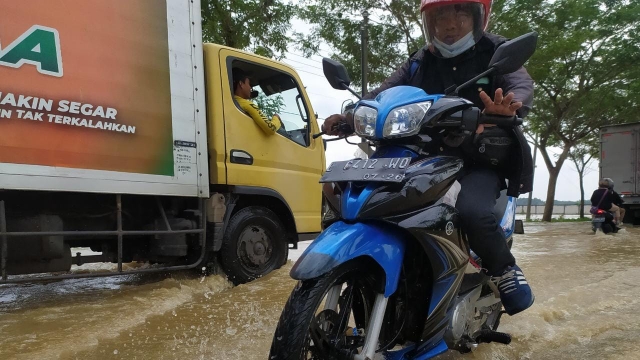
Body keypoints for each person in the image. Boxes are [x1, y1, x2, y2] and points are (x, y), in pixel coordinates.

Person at [321, 0, 535, 316]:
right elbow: (383, 94)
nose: (450, 24)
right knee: (364, 201)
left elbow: (520, 85)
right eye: (441, 15)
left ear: (479, 18)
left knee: (472, 211)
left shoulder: (497, 52)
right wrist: (350, 115)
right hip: (417, 156)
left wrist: (507, 107)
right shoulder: (419, 61)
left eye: (460, 13)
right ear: (429, 22)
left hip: (475, 159)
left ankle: (505, 271)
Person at [232, 68, 284, 135]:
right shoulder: (247, 105)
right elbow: (271, 128)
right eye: (249, 84)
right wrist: (276, 117)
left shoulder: (232, 101)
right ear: (241, 84)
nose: (250, 88)